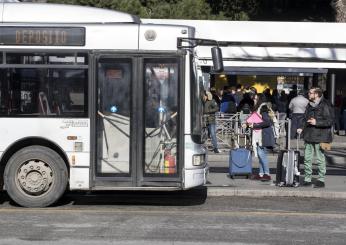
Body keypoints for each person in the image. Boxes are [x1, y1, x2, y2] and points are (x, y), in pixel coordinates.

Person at [297, 87, 333, 188]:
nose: (308, 94)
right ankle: (307, 179)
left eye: (310, 93)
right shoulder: (309, 104)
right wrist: (301, 127)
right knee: (307, 159)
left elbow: (330, 121)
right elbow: (305, 118)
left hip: (321, 137)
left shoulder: (325, 104)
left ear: (316, 94)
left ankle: (321, 179)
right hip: (309, 135)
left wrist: (317, 122)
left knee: (320, 159)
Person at [247, 93, 275, 181]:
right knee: (261, 155)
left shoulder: (263, 108)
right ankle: (261, 173)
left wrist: (254, 126)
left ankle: (267, 174)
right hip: (260, 134)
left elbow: (267, 122)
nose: (254, 100)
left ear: (260, 99)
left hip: (263, 135)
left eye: (256, 99)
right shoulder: (261, 107)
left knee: (262, 154)